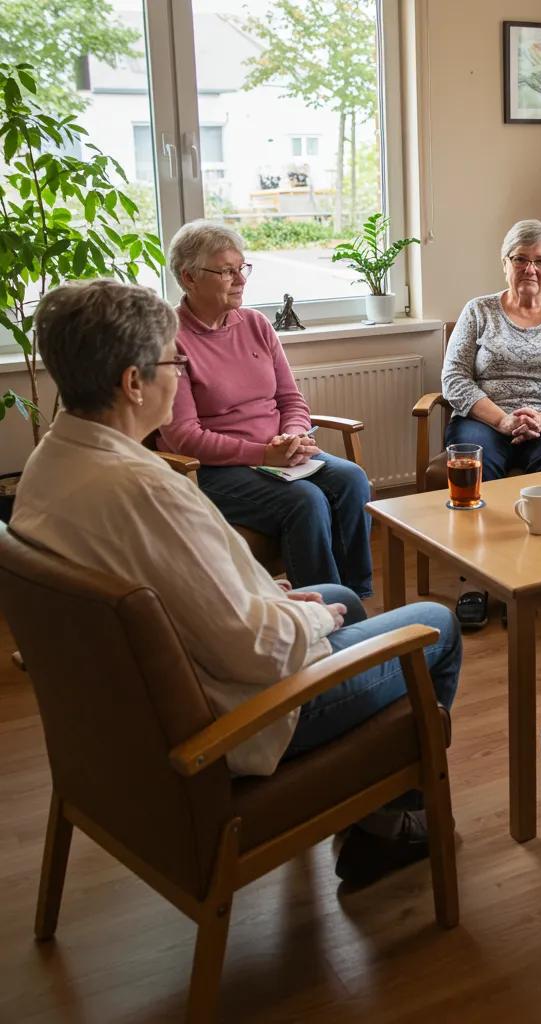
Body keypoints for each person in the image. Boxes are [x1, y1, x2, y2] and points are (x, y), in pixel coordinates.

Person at [12, 279, 462, 892]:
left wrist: (286, 599)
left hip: (132, 719)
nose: (182, 373)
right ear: (133, 383)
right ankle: (385, 829)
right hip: (238, 720)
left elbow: (194, 595)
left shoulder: (49, 463)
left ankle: (373, 816)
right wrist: (309, 620)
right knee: (435, 624)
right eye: (175, 361)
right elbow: (256, 650)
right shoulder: (148, 491)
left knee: (343, 597)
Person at [158, 220, 372, 595]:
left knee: (351, 479)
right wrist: (263, 453)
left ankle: (352, 599)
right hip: (212, 469)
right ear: (188, 277)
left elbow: (291, 399)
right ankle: (318, 607)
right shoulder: (169, 341)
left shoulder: (256, 324)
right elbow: (183, 438)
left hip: (277, 454)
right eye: (226, 271)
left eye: (242, 267)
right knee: (305, 501)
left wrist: (294, 433)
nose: (240, 279)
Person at [441, 218, 541, 625]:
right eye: (520, 259)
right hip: (488, 415)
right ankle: (477, 580)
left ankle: (536, 576)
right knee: (479, 462)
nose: (530, 269)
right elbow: (453, 379)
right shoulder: (479, 310)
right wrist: (501, 420)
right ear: (505, 262)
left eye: (540, 261)